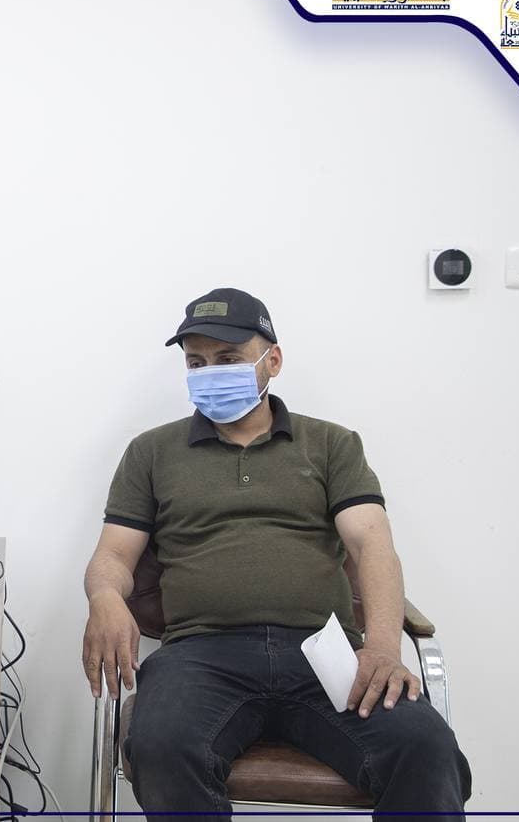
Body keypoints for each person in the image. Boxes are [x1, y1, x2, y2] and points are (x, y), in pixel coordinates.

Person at [81, 287, 471, 820]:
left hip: (324, 653)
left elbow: (371, 544)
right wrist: (105, 598)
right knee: (162, 746)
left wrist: (383, 647)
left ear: (273, 360)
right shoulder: (151, 452)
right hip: (200, 654)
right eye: (196, 363)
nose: (210, 373)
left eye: (228, 359)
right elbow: (113, 555)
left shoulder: (331, 444)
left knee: (425, 748)